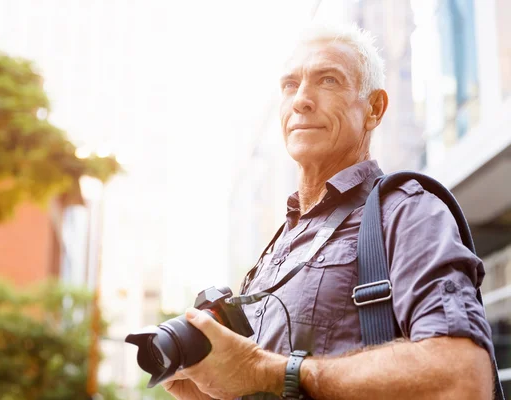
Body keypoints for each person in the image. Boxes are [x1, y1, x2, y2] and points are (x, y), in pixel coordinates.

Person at [162, 24, 496, 400]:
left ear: (374, 108)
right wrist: (210, 390)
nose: (301, 99)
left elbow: (462, 379)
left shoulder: (406, 211)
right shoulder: (276, 248)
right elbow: (260, 380)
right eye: (290, 84)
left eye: (328, 80)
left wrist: (268, 371)